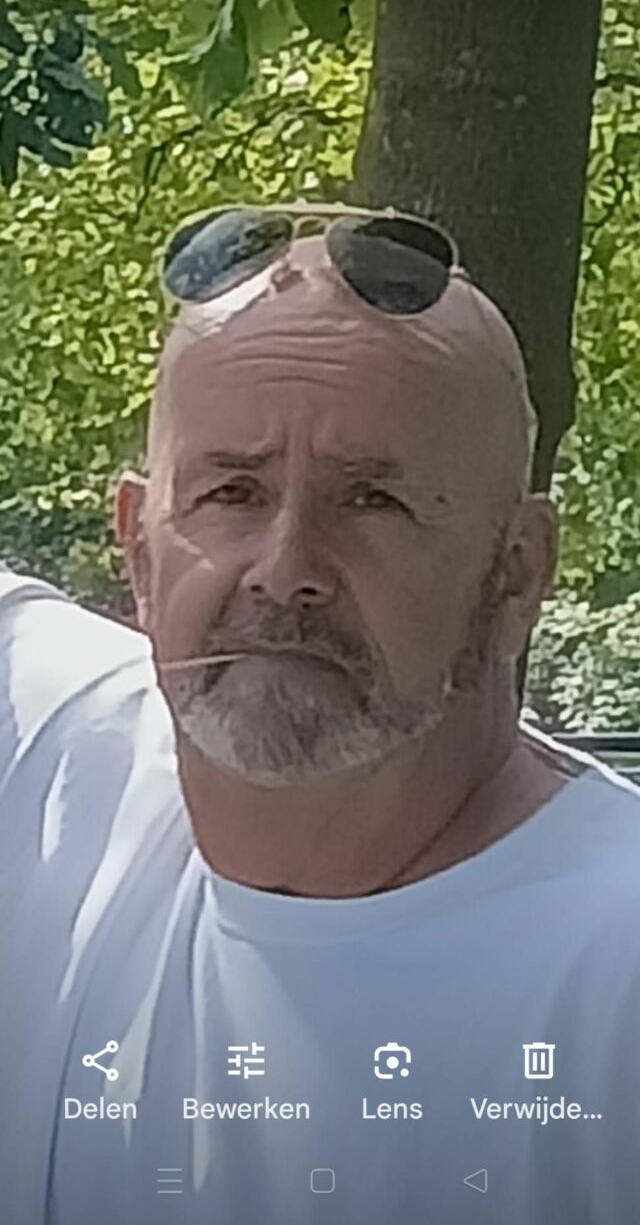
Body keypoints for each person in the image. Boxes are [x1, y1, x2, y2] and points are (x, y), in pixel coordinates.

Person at [1, 204, 639, 1225]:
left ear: (518, 572)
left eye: (372, 502)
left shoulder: (610, 974)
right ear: (139, 548)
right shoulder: (58, 758)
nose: (286, 568)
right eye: (231, 493)